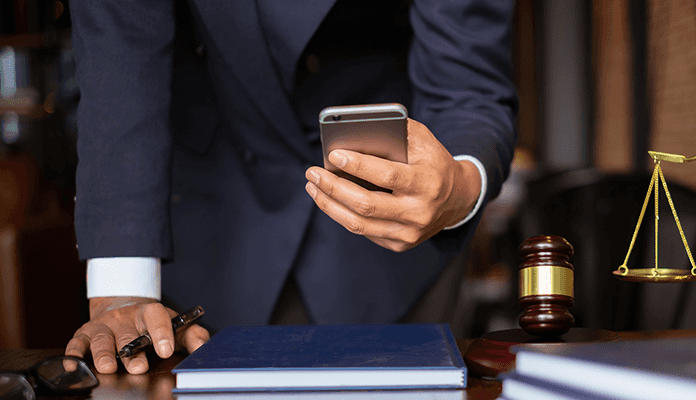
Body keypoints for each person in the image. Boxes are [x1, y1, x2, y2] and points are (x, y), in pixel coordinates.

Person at [65, 0, 518, 374]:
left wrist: (458, 187)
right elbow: (120, 53)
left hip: (395, 233)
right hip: (207, 225)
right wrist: (124, 287)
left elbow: (469, 83)